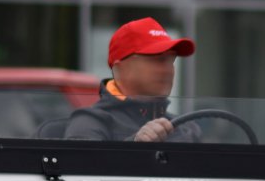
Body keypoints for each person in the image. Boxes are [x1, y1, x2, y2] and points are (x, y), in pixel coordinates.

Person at [63, 17, 197, 142]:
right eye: (157, 59)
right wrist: (134, 146)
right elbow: (81, 166)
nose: (168, 70)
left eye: (171, 60)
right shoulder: (89, 123)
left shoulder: (187, 128)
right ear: (120, 69)